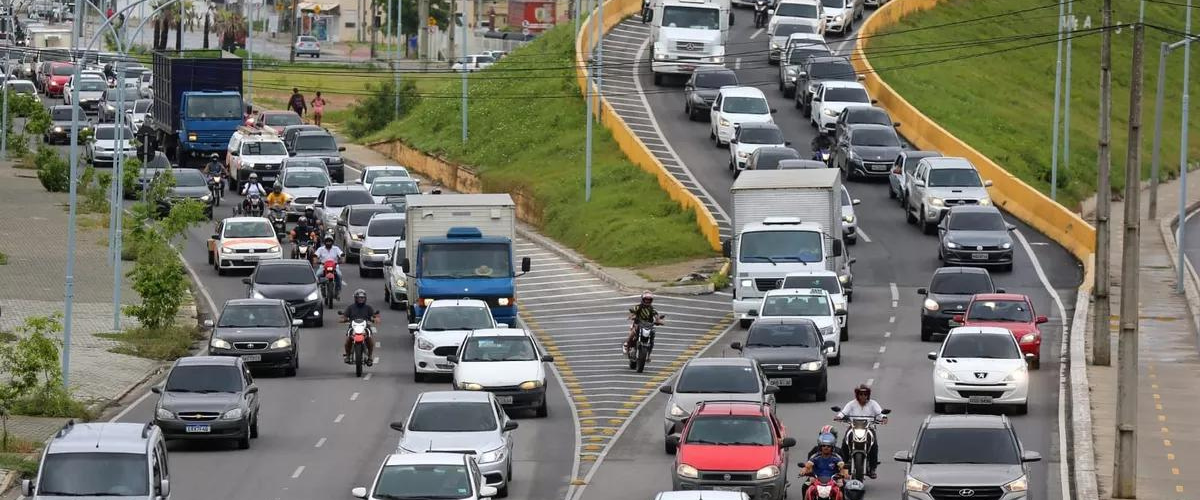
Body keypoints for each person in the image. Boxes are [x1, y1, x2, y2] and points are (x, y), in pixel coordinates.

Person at [835, 384, 887, 478]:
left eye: (865, 394)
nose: (863, 396)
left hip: (868, 428)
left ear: (868, 395)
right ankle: (843, 467)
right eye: (861, 394)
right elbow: (843, 412)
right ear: (857, 395)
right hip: (853, 427)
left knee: (874, 445)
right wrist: (839, 417)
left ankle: (872, 468)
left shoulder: (873, 404)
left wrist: (884, 417)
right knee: (844, 443)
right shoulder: (851, 404)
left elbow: (880, 413)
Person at [802, 433, 848, 498]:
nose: (826, 447)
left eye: (828, 446)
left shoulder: (836, 457)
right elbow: (808, 465)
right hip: (816, 479)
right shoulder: (815, 456)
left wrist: (845, 473)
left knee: (842, 488)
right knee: (805, 487)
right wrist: (804, 470)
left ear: (832, 447)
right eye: (824, 446)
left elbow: (842, 466)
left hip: (834, 479)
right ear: (820, 447)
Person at [340, 289, 378, 364]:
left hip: (365, 327)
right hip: (353, 327)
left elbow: (374, 316)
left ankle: (370, 357)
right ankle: (347, 356)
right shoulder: (350, 307)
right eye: (359, 298)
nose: (361, 299)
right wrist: (343, 319)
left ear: (365, 298)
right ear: (355, 298)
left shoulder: (368, 308)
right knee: (348, 341)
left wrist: (375, 319)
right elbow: (344, 316)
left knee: (370, 340)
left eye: (362, 298)